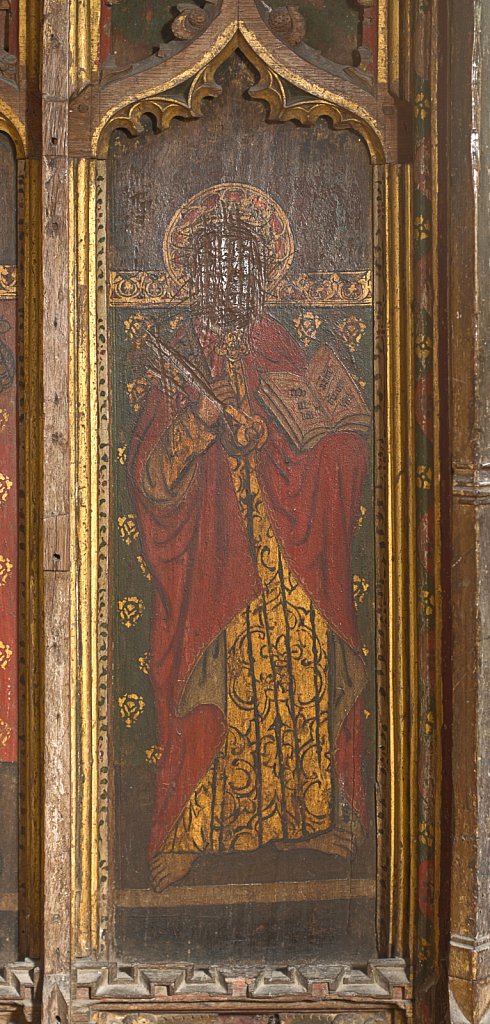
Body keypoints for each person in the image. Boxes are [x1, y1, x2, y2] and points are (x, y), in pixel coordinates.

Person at [128, 190, 369, 891]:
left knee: (301, 660)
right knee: (222, 676)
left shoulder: (278, 346)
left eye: (247, 269)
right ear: (198, 277)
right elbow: (151, 479)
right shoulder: (175, 358)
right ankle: (195, 827)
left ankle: (315, 816)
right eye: (220, 268)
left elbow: (329, 446)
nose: (234, 283)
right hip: (216, 556)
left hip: (290, 552)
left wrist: (320, 444)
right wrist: (199, 426)